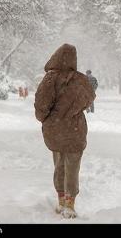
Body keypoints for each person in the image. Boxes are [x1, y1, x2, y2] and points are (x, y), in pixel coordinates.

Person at [34, 44, 95, 219]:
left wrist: (46, 119)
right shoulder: (81, 80)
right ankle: (70, 203)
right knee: (73, 166)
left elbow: (41, 104)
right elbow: (89, 99)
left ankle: (60, 200)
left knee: (59, 163)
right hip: (76, 130)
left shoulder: (49, 79)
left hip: (55, 130)